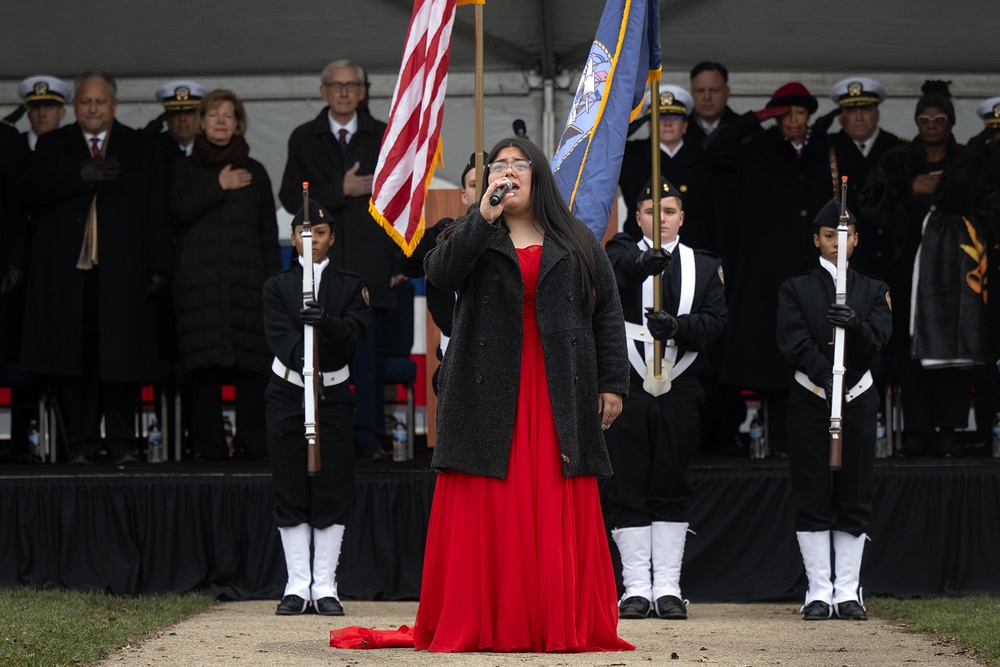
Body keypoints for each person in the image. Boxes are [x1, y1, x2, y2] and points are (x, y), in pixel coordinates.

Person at [333, 137, 632, 652]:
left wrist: (613, 383)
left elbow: (605, 312)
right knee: (494, 498)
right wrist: (483, 216)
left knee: (551, 493)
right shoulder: (470, 232)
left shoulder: (577, 237)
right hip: (488, 386)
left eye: (519, 164)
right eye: (500, 165)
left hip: (560, 382)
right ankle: (491, 617)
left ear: (538, 175)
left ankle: (552, 619)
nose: (508, 172)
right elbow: (440, 274)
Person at [22, 73, 172, 465]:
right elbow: (29, 190)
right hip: (68, 278)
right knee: (76, 362)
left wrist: (159, 266)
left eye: (100, 102)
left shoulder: (141, 146)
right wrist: (77, 175)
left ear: (114, 105)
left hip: (123, 274)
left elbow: (157, 207)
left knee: (121, 361)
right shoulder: (53, 144)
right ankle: (83, 444)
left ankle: (123, 443)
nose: (92, 108)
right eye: (86, 101)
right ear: (73, 106)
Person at [603, 178, 726, 620]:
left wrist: (678, 328)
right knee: (629, 481)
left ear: (682, 217)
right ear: (638, 217)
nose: (661, 219)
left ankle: (669, 587)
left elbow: (715, 321)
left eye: (669, 211)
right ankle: (636, 587)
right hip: (628, 382)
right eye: (652, 211)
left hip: (681, 380)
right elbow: (613, 277)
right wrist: (641, 264)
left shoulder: (704, 265)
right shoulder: (617, 252)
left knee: (670, 481)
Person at [860, 80, 1000, 456]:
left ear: (951, 122)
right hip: (907, 274)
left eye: (939, 118)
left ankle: (950, 429)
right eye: (924, 119)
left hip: (959, 275)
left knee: (955, 346)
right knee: (910, 350)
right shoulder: (896, 159)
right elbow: (868, 205)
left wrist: (955, 221)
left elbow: (993, 210)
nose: (932, 125)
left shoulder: (971, 161)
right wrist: (910, 189)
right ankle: (918, 428)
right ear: (917, 122)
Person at [704, 82, 836, 454]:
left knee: (811, 353)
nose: (793, 120)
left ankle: (804, 438)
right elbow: (715, 150)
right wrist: (758, 118)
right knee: (768, 358)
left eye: (799, 112)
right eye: (785, 113)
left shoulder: (824, 151)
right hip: (764, 273)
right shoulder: (757, 148)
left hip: (812, 269)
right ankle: (772, 439)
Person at [776, 200, 891, 620]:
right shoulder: (796, 287)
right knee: (812, 491)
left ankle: (847, 590)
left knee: (854, 492)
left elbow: (879, 340)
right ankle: (819, 591)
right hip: (812, 397)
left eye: (843, 238)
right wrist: (827, 375)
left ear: (856, 240)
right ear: (816, 240)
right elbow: (793, 341)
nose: (835, 245)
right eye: (828, 237)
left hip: (857, 397)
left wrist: (857, 326)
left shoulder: (874, 289)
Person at [279, 59, 397, 458]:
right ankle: (322, 439)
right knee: (316, 358)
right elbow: (290, 199)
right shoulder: (302, 138)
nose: (345, 92)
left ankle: (368, 437)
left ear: (363, 91)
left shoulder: (384, 136)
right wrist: (338, 190)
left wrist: (398, 264)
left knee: (367, 362)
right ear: (323, 91)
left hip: (370, 267)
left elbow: (403, 204)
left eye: (352, 85)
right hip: (318, 272)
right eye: (337, 85)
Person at [264, 200, 371, 616]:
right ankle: (297, 585)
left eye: (321, 233)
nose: (313, 241)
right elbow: (279, 339)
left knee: (332, 484)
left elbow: (354, 338)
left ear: (331, 238)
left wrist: (325, 323)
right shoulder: (277, 286)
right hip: (288, 391)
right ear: (293, 238)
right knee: (290, 482)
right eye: (305, 234)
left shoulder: (350, 285)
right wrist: (304, 353)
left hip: (333, 394)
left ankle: (325, 586)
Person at [168, 89, 280, 461]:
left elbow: (267, 238)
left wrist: (273, 289)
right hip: (197, 294)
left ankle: (254, 447)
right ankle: (210, 451)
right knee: (204, 375)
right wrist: (219, 186)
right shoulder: (183, 169)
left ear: (239, 123)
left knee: (252, 372)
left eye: (228, 116)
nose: (220, 121)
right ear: (201, 121)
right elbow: (178, 211)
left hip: (247, 291)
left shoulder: (257, 172)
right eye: (213, 114)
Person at [618, 85, 722, 253]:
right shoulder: (632, 156)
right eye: (659, 117)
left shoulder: (704, 157)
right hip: (642, 249)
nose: (667, 123)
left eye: (674, 117)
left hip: (692, 247)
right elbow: (605, 144)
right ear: (649, 124)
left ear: (685, 125)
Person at [825, 77, 905, 275]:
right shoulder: (827, 149)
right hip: (845, 254)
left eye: (866, 110)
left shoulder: (898, 149)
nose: (859, 118)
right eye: (851, 111)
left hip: (889, 252)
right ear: (841, 117)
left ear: (877, 113)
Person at [152, 80, 208, 161]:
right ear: (167, 118)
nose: (183, 119)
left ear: (200, 117)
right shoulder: (155, 149)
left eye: (189, 112)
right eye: (176, 112)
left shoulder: (212, 146)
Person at [686, 61, 739, 143]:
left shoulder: (744, 128)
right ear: (692, 94)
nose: (707, 97)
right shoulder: (676, 130)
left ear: (727, 92)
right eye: (700, 91)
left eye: (714, 90)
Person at [17, 75, 71, 152]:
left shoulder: (72, 146)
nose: (42, 114)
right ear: (29, 114)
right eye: (36, 108)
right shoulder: (14, 145)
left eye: (49, 108)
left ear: (62, 113)